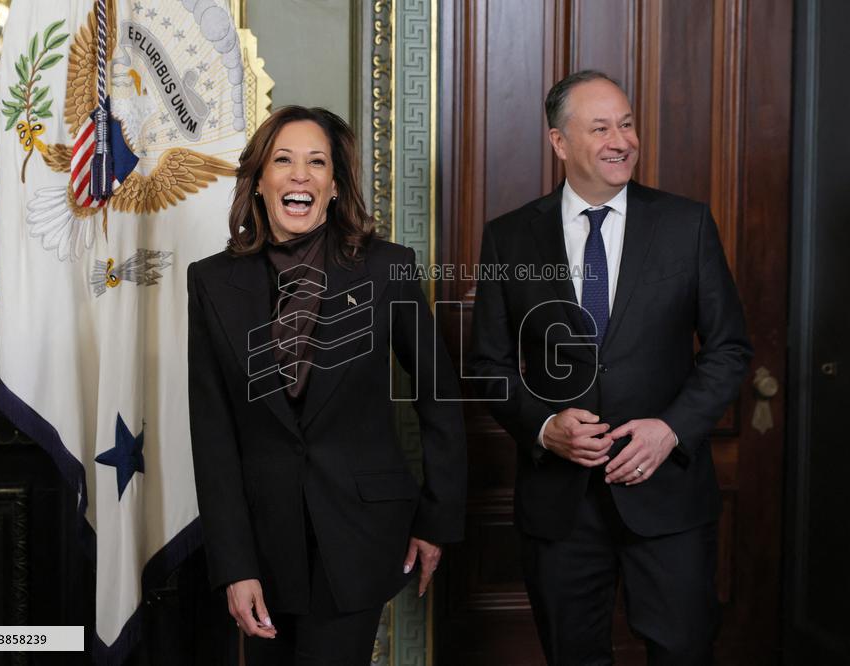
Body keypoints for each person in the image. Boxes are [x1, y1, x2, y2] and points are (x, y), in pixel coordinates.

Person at [468, 70, 753, 665]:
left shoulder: (685, 225)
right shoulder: (509, 238)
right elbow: (488, 365)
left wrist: (670, 428)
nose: (620, 140)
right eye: (600, 127)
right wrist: (545, 427)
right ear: (559, 142)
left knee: (682, 652)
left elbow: (729, 348)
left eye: (626, 124)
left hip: (669, 497)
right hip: (559, 505)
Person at [187, 106, 466, 665]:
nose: (299, 175)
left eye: (316, 163)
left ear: (334, 186)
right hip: (261, 545)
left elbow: (440, 395)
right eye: (283, 160)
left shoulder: (389, 269)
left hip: (361, 534)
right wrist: (234, 564)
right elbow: (212, 432)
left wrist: (437, 520)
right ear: (259, 181)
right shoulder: (211, 281)